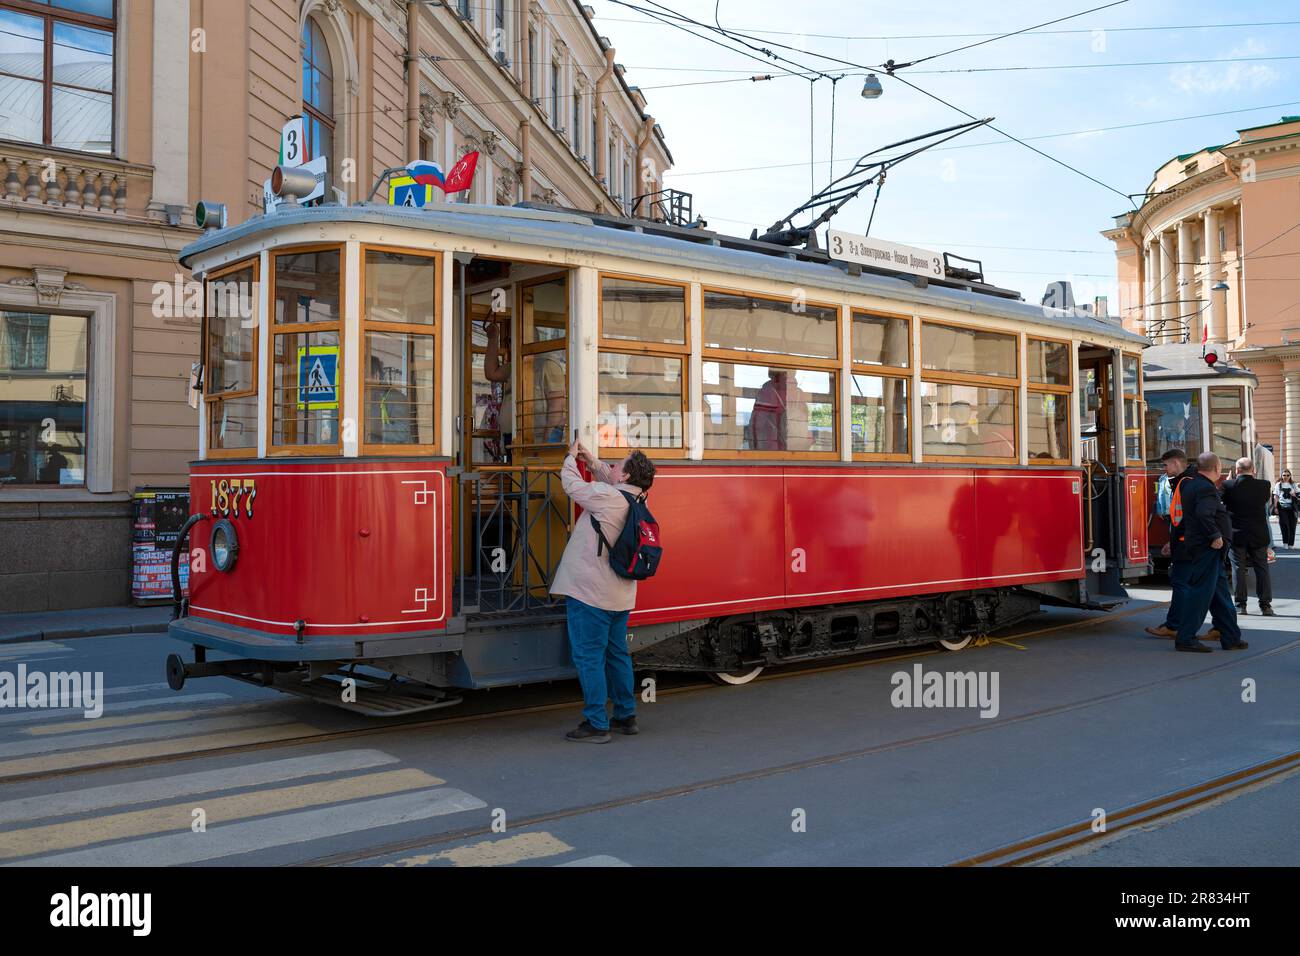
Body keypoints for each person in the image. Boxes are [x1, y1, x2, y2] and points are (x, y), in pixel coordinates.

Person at [551, 436, 656, 742]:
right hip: (620, 595)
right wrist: (591, 460)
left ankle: (596, 723)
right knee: (617, 655)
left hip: (590, 594)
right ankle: (625, 715)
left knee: (589, 658)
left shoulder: (607, 497)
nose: (611, 466)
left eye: (617, 465)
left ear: (624, 476)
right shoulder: (638, 499)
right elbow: (608, 481)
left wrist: (571, 459)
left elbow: (571, 485)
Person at [1171, 452, 1247, 653]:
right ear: (1216, 468)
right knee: (1201, 593)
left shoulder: (1190, 485)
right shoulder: (1205, 487)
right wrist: (1215, 535)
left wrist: (1173, 539)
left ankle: (1231, 637)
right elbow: (1203, 514)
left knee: (1219, 594)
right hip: (1208, 547)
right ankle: (1186, 638)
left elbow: (1186, 518)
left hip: (1202, 546)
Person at [1145, 447, 1191, 639]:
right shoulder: (1183, 482)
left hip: (1186, 544)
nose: (1163, 469)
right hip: (1184, 542)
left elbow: (1188, 519)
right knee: (1210, 587)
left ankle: (1175, 626)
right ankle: (1223, 627)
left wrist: (1175, 541)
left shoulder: (1186, 484)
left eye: (1165, 465)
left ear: (1176, 463)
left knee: (1181, 583)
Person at [1222, 457, 1275, 616]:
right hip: (1258, 534)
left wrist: (1228, 481)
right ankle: (1265, 605)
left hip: (1237, 535)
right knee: (1262, 568)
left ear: (1237, 470)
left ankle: (1240, 605)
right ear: (1254, 470)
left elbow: (1219, 500)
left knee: (1238, 568)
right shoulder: (1264, 486)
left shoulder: (1228, 485)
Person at [483, 317, 512, 461]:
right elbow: (491, 373)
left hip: (532, 438)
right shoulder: (515, 366)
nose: (511, 345)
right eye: (510, 341)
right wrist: (493, 338)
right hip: (510, 435)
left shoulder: (546, 366)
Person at [1277, 469, 1297, 548]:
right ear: (1281, 476)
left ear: (1290, 476)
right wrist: (1275, 507)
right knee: (1284, 525)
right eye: (1284, 475)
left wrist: (1294, 494)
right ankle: (1285, 542)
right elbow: (1276, 496)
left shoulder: (1293, 485)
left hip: (1292, 508)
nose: (1286, 477)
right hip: (1282, 507)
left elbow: (1298, 496)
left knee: (1292, 525)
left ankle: (1291, 544)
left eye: (1288, 475)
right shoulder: (1279, 484)